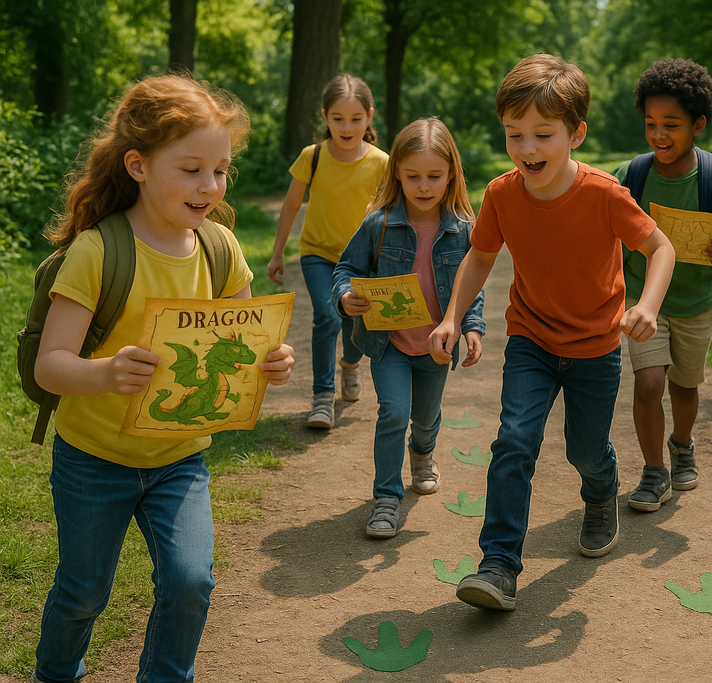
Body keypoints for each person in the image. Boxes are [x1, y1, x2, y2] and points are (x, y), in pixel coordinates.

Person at [31, 74, 295, 683]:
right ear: (139, 165)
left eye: (221, 171)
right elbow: (52, 364)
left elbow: (248, 337)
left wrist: (270, 362)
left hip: (180, 458)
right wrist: (106, 371)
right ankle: (55, 673)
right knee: (83, 594)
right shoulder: (97, 251)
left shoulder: (220, 248)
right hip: (93, 458)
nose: (211, 186)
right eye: (192, 169)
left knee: (190, 582)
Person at [427, 54, 676, 611]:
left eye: (543, 134)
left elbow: (662, 248)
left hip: (595, 347)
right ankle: (498, 564)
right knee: (514, 439)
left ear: (576, 134)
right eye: (514, 135)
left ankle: (600, 492)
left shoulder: (603, 193)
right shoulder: (501, 194)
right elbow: (479, 258)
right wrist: (449, 317)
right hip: (531, 341)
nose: (527, 148)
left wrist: (648, 305)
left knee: (585, 452)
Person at [334, 117, 485, 539]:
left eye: (434, 176)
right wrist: (346, 297)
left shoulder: (463, 229)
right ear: (396, 172)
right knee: (393, 413)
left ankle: (423, 454)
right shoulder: (378, 224)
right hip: (388, 345)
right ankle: (386, 497)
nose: (423, 186)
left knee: (425, 417)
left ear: (451, 173)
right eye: (413, 175)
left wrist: (472, 328)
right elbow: (345, 268)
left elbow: (471, 286)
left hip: (438, 346)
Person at [613, 58, 712, 513]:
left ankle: (682, 444)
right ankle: (654, 471)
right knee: (648, 383)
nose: (658, 134)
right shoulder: (631, 175)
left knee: (685, 387)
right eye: (651, 123)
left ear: (699, 124)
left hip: (696, 301)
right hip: (641, 297)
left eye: (671, 124)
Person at [269, 73, 389, 429]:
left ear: (369, 116)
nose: (346, 126)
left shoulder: (382, 162)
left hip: (360, 260)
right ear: (325, 117)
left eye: (355, 119)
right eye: (338, 118)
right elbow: (290, 206)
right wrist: (277, 254)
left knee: (357, 319)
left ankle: (350, 365)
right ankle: (322, 397)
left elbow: (391, 212)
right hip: (318, 254)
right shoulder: (313, 156)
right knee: (327, 315)